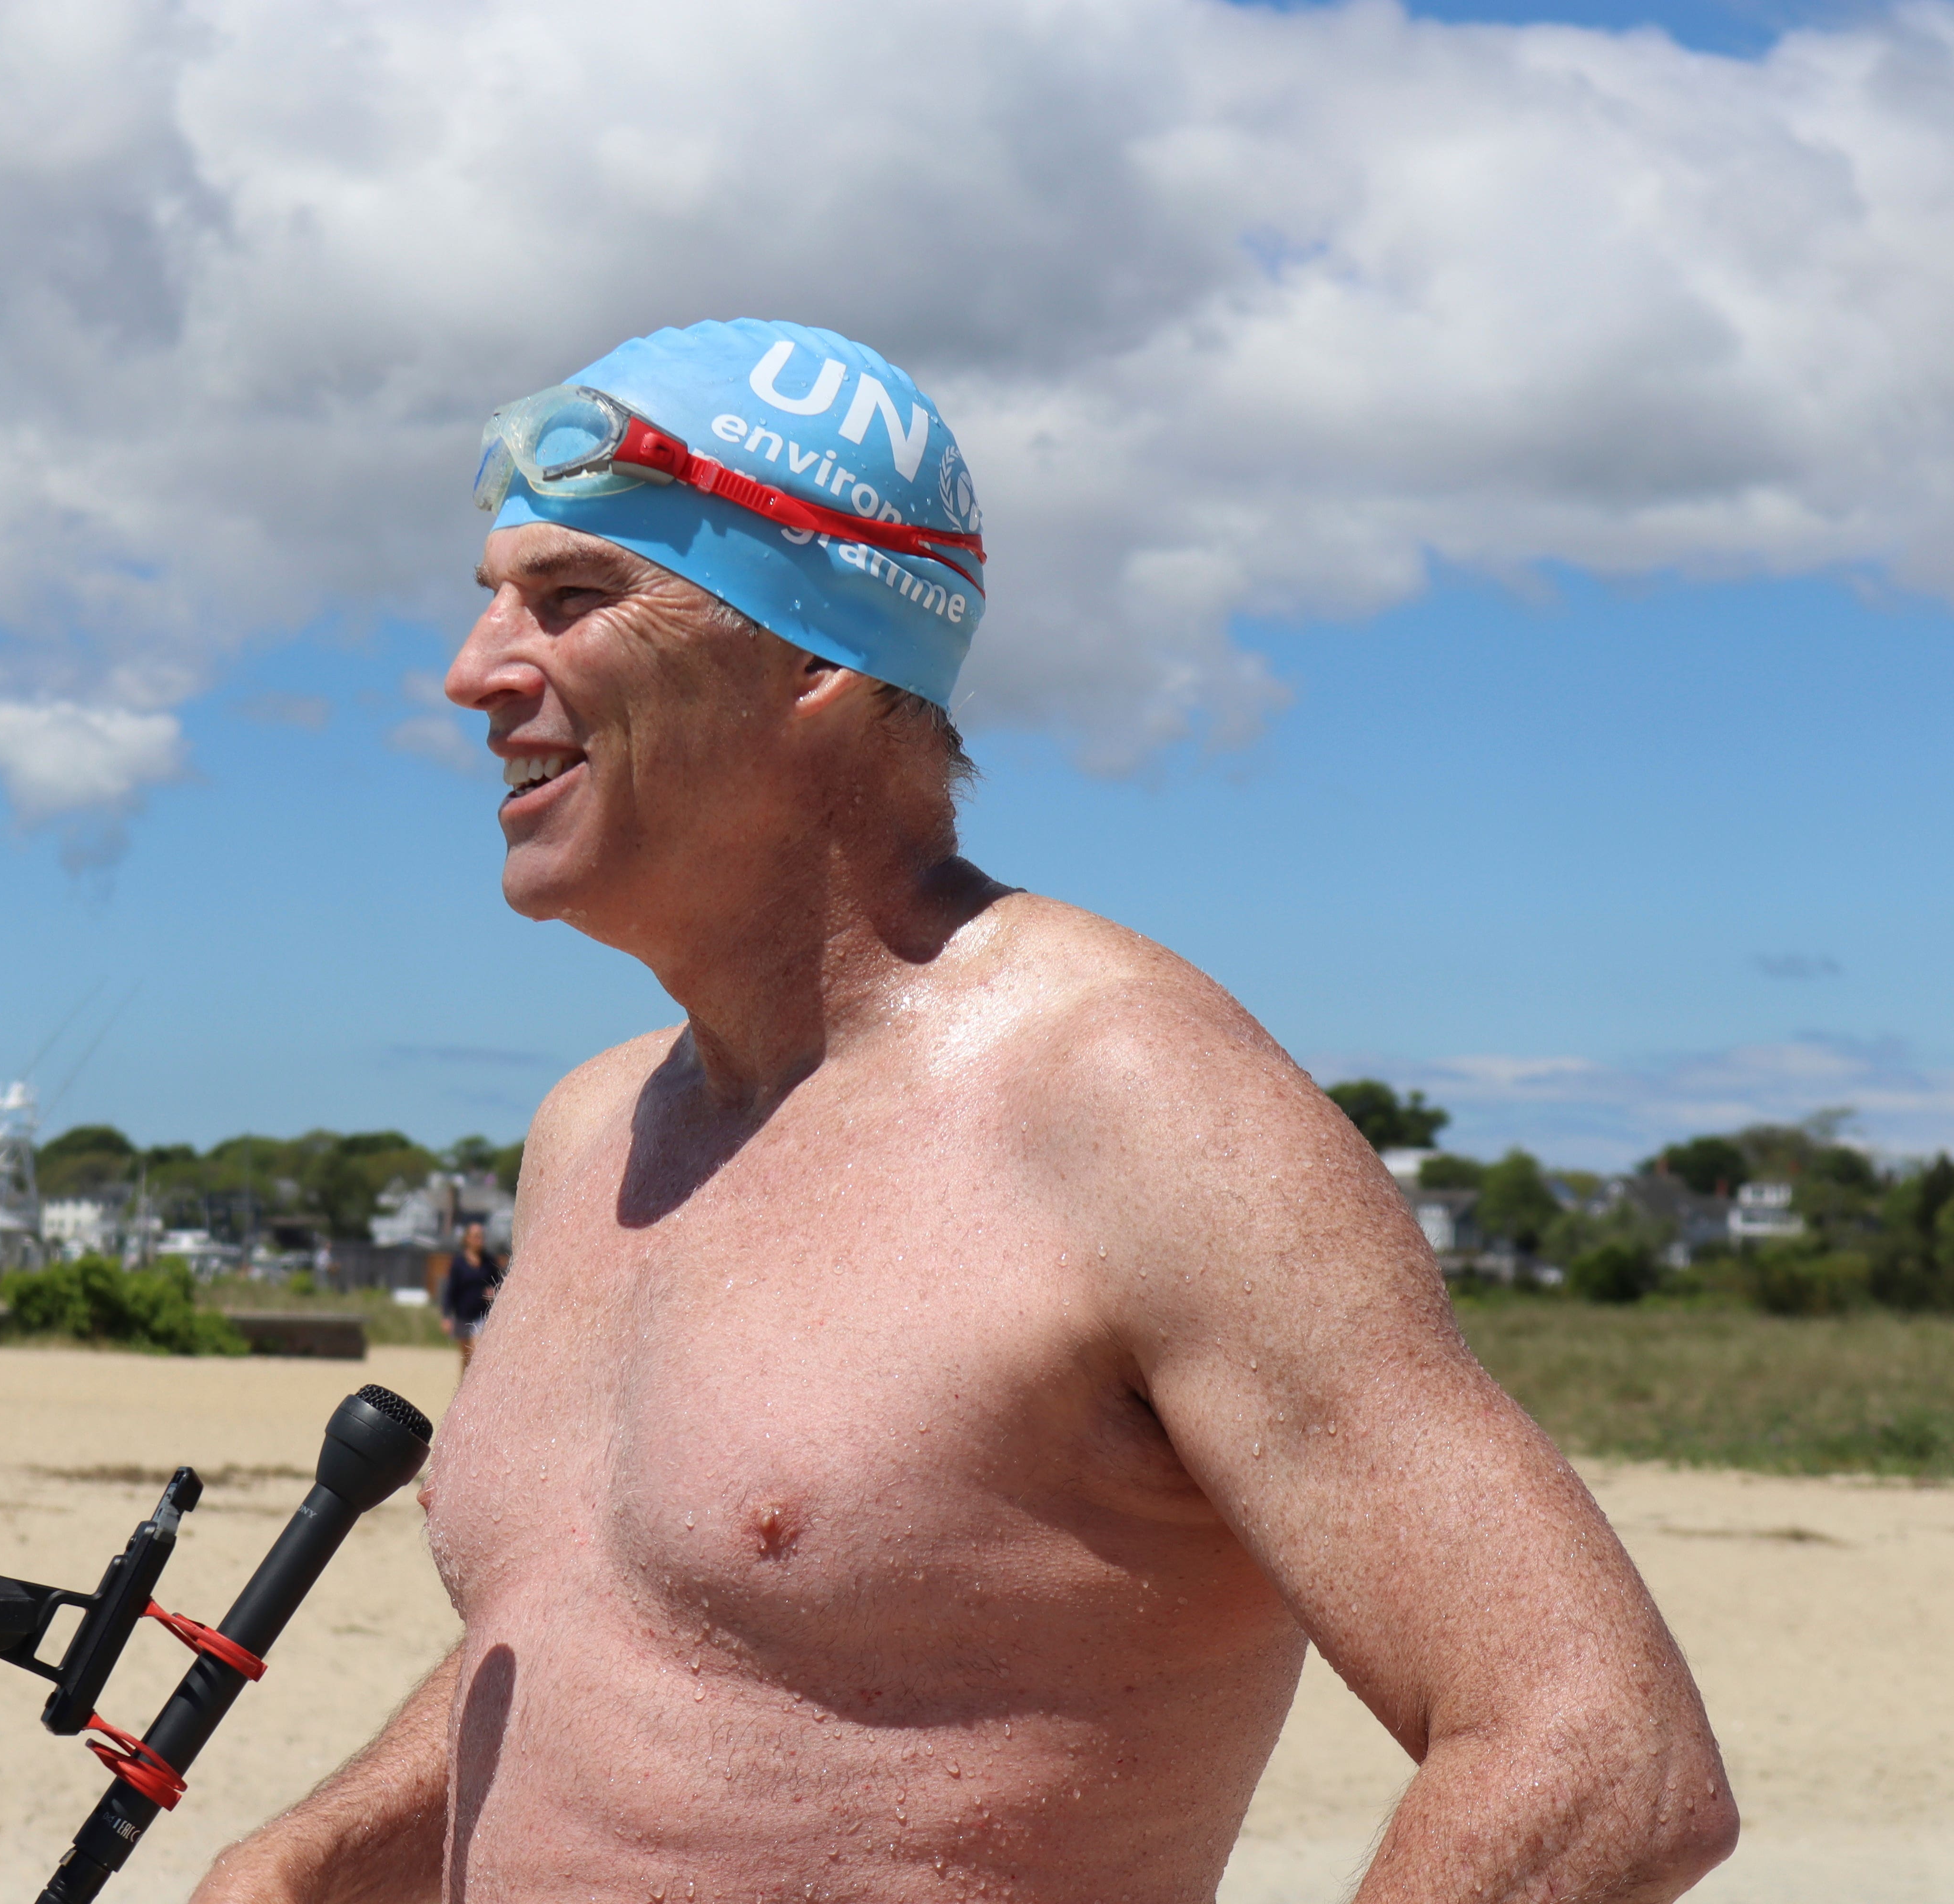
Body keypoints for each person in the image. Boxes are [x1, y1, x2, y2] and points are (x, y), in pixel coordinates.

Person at [194, 321, 1734, 1904]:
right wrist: (312, 1858)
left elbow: (1603, 1751)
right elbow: (630, 1645)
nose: (474, 674)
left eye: (573, 600)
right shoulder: (593, 1138)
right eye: (491, 604)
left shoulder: (1129, 1103)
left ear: (818, 657)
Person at [437, 1220, 501, 1373]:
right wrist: (447, 1316)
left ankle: (477, 1384)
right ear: (467, 1239)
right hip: (463, 1315)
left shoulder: (489, 1262)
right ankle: (465, 1387)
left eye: (481, 1236)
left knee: (476, 1350)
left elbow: (500, 1285)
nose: (480, 1239)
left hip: (482, 1315)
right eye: (476, 1236)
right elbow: (451, 1290)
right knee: (466, 1357)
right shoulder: (459, 1263)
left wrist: (494, 1292)